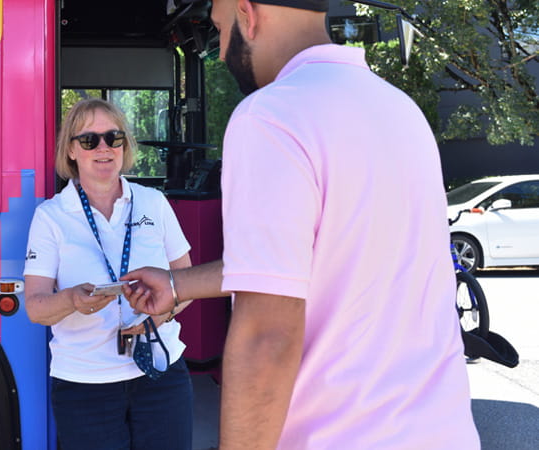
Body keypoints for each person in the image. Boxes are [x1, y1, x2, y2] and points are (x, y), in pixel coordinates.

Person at [122, 1, 480, 449]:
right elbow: (313, 261)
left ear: (247, 14)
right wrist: (177, 284)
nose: (217, 54)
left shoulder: (271, 115)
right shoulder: (399, 109)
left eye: (219, 31)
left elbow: (267, 335)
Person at [23, 98, 195, 449]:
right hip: (84, 386)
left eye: (113, 138)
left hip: (161, 372)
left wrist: (159, 316)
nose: (103, 148)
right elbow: (36, 307)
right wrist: (72, 300)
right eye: (89, 140)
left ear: (124, 145)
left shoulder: (153, 202)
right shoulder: (51, 216)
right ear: (71, 150)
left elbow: (187, 281)